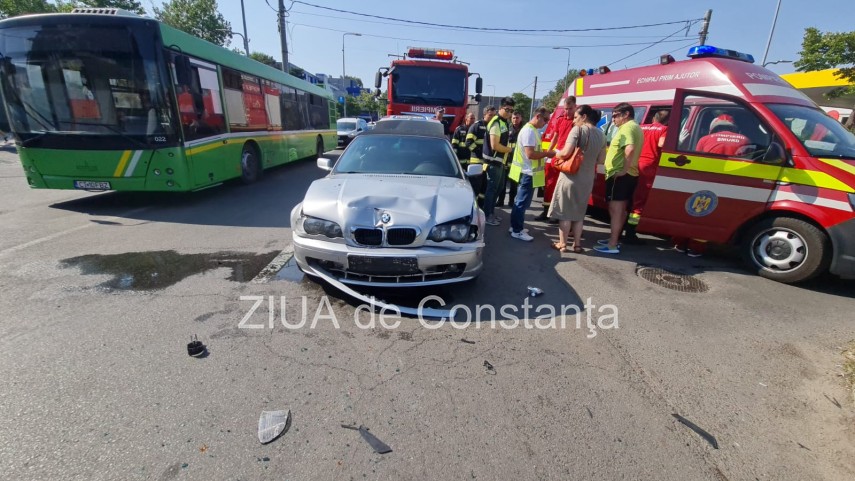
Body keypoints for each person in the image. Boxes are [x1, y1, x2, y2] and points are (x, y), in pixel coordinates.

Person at [548, 105, 607, 253]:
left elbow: (565, 153)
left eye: (575, 117)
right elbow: (601, 160)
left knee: (565, 213)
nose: (573, 121)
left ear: (584, 116)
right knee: (579, 214)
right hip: (587, 179)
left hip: (570, 176)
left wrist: (556, 153)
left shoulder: (578, 130)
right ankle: (577, 244)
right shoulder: (602, 135)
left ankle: (562, 244)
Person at [594, 102, 643, 255]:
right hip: (627, 175)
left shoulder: (627, 128)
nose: (613, 119)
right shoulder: (635, 127)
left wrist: (622, 170)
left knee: (616, 210)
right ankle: (613, 239)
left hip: (620, 176)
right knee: (620, 210)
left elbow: (630, 148)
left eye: (615, 115)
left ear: (626, 114)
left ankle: (612, 244)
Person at [508, 107, 556, 241]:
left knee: (519, 202)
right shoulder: (529, 131)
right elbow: (530, 154)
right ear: (538, 116)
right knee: (521, 203)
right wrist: (548, 153)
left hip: (526, 172)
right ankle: (517, 231)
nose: (546, 123)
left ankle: (515, 227)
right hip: (527, 173)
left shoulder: (530, 130)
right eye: (545, 119)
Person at [624, 109, 669, 244]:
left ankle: (620, 229)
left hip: (633, 164)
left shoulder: (641, 127)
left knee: (627, 198)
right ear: (666, 121)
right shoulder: (663, 129)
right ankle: (630, 233)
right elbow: (662, 144)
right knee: (639, 202)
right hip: (648, 167)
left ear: (653, 118)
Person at [538, 96, 577, 222]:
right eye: (565, 109)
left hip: (569, 156)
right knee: (549, 183)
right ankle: (546, 211)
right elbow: (555, 137)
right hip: (558, 153)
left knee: (562, 186)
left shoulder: (577, 122)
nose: (567, 111)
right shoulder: (561, 120)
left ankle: (556, 214)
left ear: (575, 107)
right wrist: (549, 152)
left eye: (570, 109)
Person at [482, 97, 515, 226]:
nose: (509, 112)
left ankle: (491, 212)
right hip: (492, 162)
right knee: (492, 189)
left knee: (499, 188)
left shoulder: (504, 122)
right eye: (507, 109)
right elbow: (495, 145)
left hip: (500, 161)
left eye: (511, 110)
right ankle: (487, 215)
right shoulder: (496, 123)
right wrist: (510, 150)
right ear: (500, 108)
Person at [466, 106, 497, 206]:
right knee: (475, 187)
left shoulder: (493, 127)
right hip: (477, 162)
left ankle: (481, 207)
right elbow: (469, 142)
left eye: (494, 115)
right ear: (484, 115)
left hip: (487, 163)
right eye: (490, 115)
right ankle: (472, 208)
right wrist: (481, 153)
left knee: (485, 187)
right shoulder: (477, 126)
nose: (492, 117)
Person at [496, 111, 523, 207]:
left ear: (521, 119)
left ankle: (512, 202)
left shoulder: (523, 130)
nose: (515, 120)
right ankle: (500, 201)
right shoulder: (507, 128)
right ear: (511, 119)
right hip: (506, 158)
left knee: (514, 184)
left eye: (517, 118)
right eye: (514, 118)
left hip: (516, 160)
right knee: (502, 183)